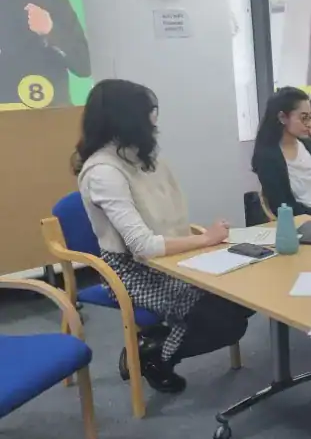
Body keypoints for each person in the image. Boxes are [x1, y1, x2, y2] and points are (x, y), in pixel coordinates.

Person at [74, 80, 253, 394]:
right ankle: (151, 355)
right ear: (127, 118)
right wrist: (206, 239)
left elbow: (165, 222)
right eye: (149, 113)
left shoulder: (137, 156)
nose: (154, 120)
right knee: (228, 320)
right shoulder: (103, 171)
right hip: (131, 272)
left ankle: (158, 338)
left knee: (246, 294)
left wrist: (204, 239)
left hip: (169, 258)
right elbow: (142, 246)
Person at [251, 86, 311, 217]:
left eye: (310, 117)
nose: (309, 124)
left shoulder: (309, 146)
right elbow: (281, 205)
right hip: (300, 222)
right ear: (282, 118)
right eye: (304, 118)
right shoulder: (268, 156)